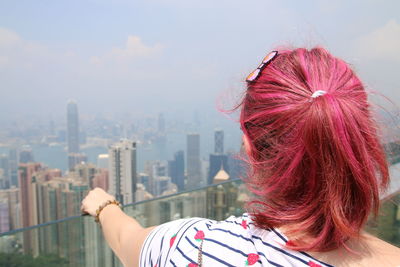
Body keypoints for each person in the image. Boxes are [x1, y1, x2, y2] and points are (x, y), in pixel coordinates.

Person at [81, 47, 400, 267]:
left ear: (249, 148)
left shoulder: (195, 248)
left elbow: (126, 238)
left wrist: (103, 206)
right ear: (359, 143)